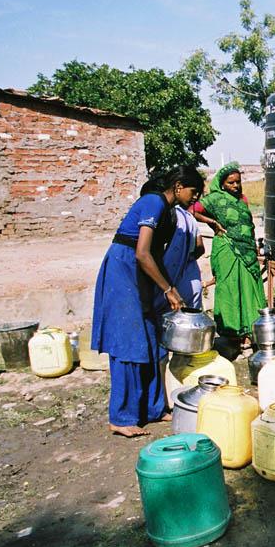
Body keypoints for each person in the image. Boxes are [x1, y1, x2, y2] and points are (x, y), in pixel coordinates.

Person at [92, 166, 204, 437]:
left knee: (154, 339)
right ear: (178, 186)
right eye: (193, 191)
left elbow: (155, 255)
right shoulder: (153, 202)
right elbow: (142, 253)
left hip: (141, 273)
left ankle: (154, 409)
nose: (195, 197)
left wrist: (171, 289)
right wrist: (166, 289)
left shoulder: (170, 213)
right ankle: (121, 417)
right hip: (124, 269)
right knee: (128, 343)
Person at [192, 162, 266, 346]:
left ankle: (250, 332)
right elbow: (193, 210)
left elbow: (248, 225)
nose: (235, 186)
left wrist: (254, 244)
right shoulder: (215, 199)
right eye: (231, 182)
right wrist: (213, 223)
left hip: (246, 250)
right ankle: (232, 333)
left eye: (238, 182)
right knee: (230, 288)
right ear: (222, 183)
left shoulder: (243, 200)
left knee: (249, 289)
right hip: (226, 247)